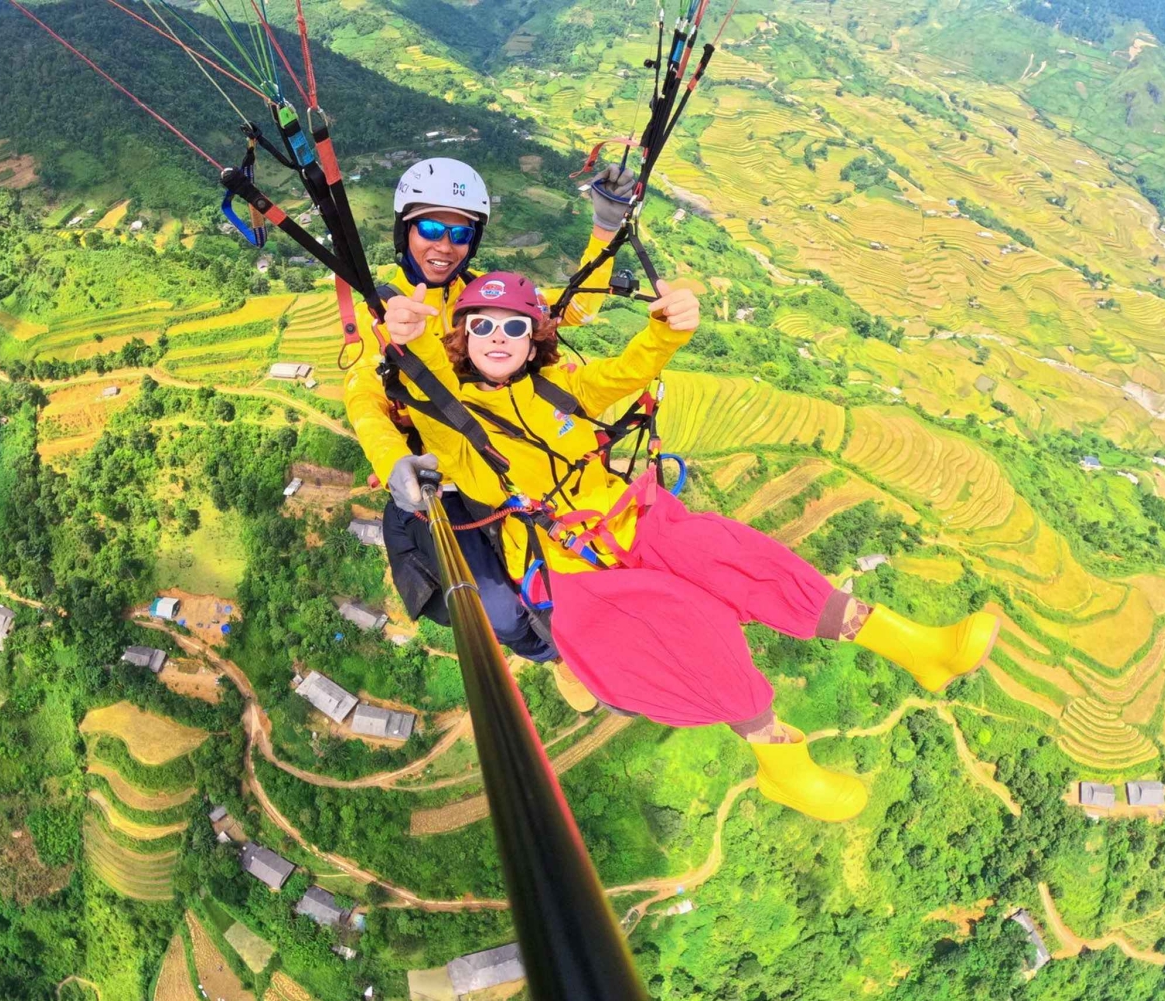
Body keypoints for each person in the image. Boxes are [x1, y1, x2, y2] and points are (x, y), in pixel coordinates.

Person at [382, 268, 1001, 823]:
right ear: (460, 336)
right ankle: (780, 761)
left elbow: (625, 370)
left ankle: (915, 646)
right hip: (570, 564)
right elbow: (428, 399)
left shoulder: (561, 387)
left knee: (740, 557)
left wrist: (666, 328)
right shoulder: (456, 417)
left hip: (637, 521)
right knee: (689, 624)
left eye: (513, 324)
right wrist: (410, 341)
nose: (497, 335)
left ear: (533, 336)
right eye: (480, 324)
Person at [344, 157, 635, 709]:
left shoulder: (486, 294)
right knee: (500, 611)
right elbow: (363, 393)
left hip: (508, 455)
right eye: (431, 227)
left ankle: (599, 643)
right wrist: (391, 462)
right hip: (442, 478)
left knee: (577, 558)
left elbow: (572, 309)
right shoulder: (381, 308)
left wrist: (606, 227)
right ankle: (556, 657)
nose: (444, 245)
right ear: (405, 229)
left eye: (460, 233)